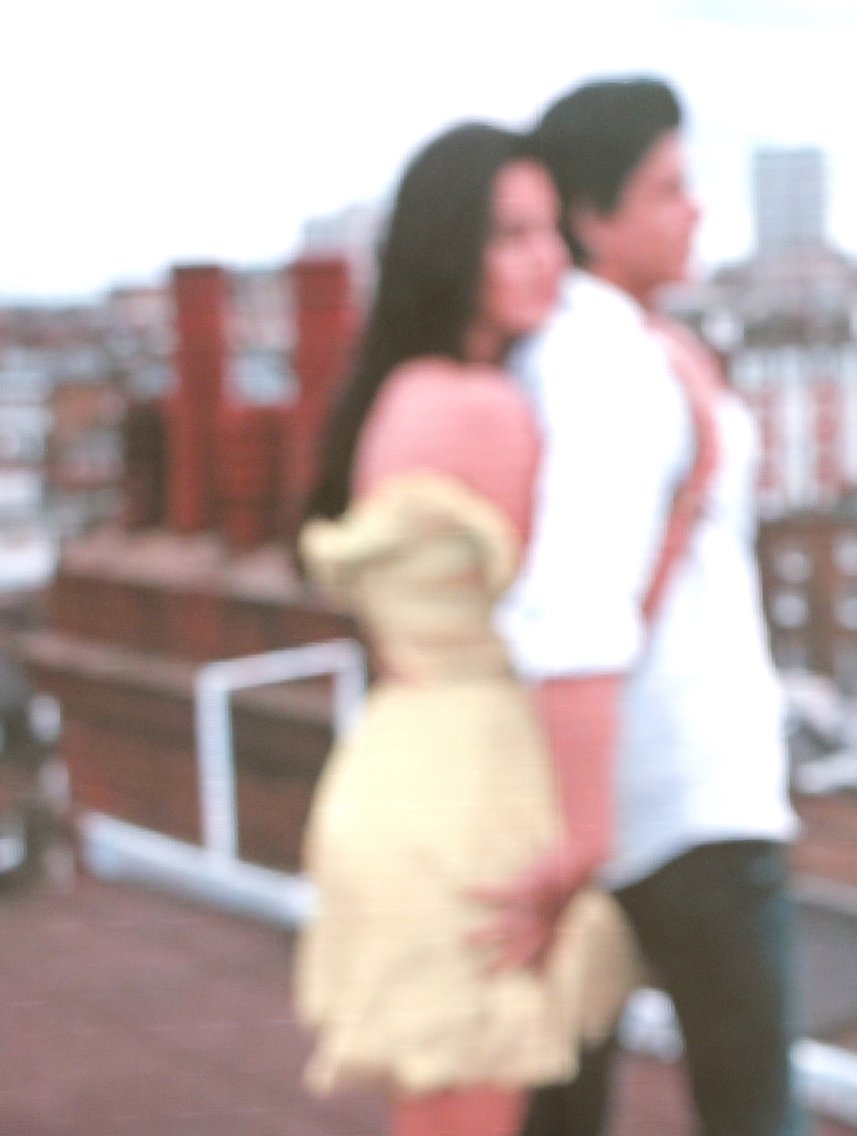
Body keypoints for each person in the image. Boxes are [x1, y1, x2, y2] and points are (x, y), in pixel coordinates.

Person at [294, 123, 637, 1136]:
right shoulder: (483, 406)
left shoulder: (394, 392)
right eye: (510, 234)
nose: (551, 259)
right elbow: (583, 602)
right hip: (471, 804)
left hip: (401, 772)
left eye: (551, 229)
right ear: (450, 250)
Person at [503, 79, 804, 1136]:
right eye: (670, 187)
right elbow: (577, 596)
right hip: (676, 799)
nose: (696, 209)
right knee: (751, 1108)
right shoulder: (601, 361)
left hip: (626, 791)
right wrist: (586, 829)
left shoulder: (606, 343)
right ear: (593, 215)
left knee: (565, 1100)